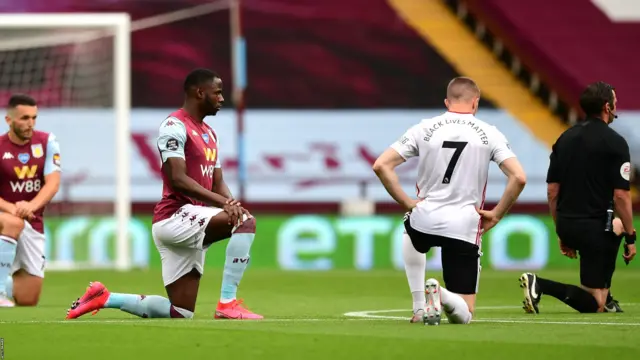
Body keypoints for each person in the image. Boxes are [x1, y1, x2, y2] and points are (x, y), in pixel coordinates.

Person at [66, 69, 263, 320]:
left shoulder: (210, 134)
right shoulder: (174, 126)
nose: (222, 99)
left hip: (193, 219)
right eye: (218, 93)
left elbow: (218, 181)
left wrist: (232, 204)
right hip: (175, 216)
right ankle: (228, 303)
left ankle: (105, 297)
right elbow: (178, 179)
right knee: (245, 223)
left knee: (180, 312)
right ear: (200, 92)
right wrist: (227, 205)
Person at [373, 77, 527, 325]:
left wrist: (407, 203)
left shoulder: (423, 128)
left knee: (409, 228)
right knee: (464, 315)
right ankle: (441, 294)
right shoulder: (490, 133)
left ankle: (419, 307)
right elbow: (518, 177)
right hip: (464, 225)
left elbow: (381, 165)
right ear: (475, 103)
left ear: (447, 102)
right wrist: (497, 214)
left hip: (425, 218)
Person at [520, 81, 636, 314]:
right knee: (595, 304)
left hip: (568, 224)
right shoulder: (616, 142)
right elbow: (621, 195)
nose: (616, 105)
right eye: (614, 101)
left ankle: (605, 292)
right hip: (595, 228)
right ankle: (541, 284)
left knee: (611, 227)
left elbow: (553, 191)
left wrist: (560, 229)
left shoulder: (565, 138)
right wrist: (632, 237)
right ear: (607, 106)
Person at [0, 94, 62, 307]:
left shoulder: (47, 142)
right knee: (12, 222)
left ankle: (6, 285)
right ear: (9, 120)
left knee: (28, 299)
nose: (30, 123)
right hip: (6, 216)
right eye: (24, 118)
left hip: (32, 220)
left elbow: (52, 183)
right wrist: (12, 209)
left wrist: (31, 206)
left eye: (34, 118)